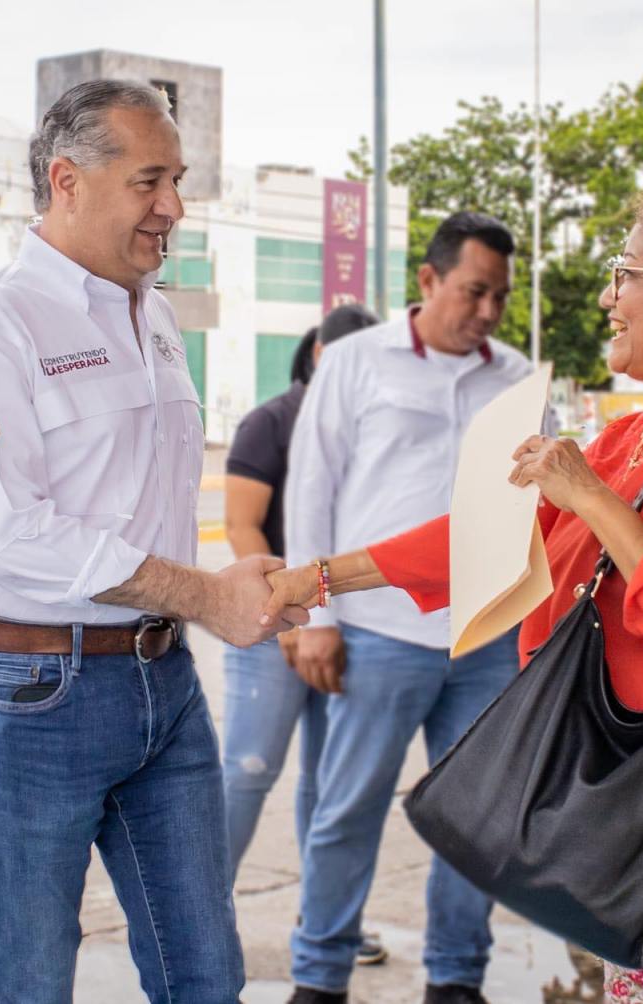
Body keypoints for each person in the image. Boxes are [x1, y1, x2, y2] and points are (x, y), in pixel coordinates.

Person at [262, 184, 643, 1003]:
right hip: (640, 815)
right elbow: (489, 536)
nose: (607, 297)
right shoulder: (642, 432)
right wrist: (317, 578)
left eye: (625, 273)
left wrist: (592, 499)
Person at [0, 80, 305, 1004]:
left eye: (179, 180)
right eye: (149, 181)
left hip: (161, 680)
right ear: (67, 181)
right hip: (26, 693)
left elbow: (132, 509)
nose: (174, 207)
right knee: (31, 978)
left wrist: (220, 587)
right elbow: (15, 535)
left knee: (206, 976)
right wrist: (206, 595)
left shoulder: (151, 316)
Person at [282, 212, 555, 1004]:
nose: (489, 311)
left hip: (487, 637)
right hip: (378, 634)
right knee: (347, 809)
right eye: (475, 291)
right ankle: (319, 976)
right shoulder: (354, 362)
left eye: (501, 297)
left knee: (477, 816)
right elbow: (312, 489)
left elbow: (548, 506)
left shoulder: (518, 380)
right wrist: (317, 618)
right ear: (429, 280)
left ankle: (456, 977)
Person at [222, 306, 378, 874]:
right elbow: (241, 524)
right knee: (248, 771)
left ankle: (321, 914)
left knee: (331, 780)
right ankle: (200, 909)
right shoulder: (271, 422)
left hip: (351, 627)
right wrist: (283, 610)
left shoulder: (375, 430)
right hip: (274, 626)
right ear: (318, 355)